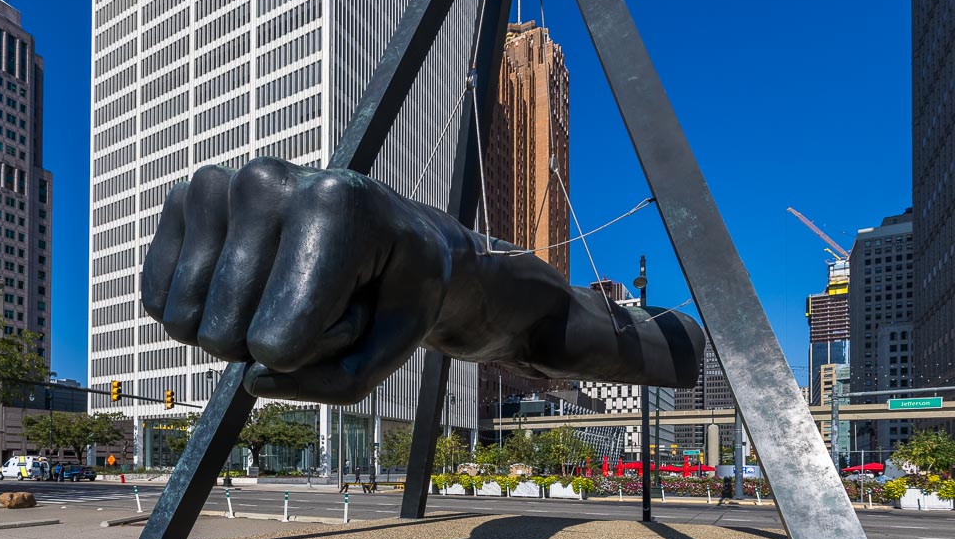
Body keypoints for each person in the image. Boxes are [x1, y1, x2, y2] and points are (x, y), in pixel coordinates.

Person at [141, 159, 704, 406]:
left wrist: (447, 272)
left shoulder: (556, 326)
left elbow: (681, 347)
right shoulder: (542, 324)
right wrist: (443, 274)